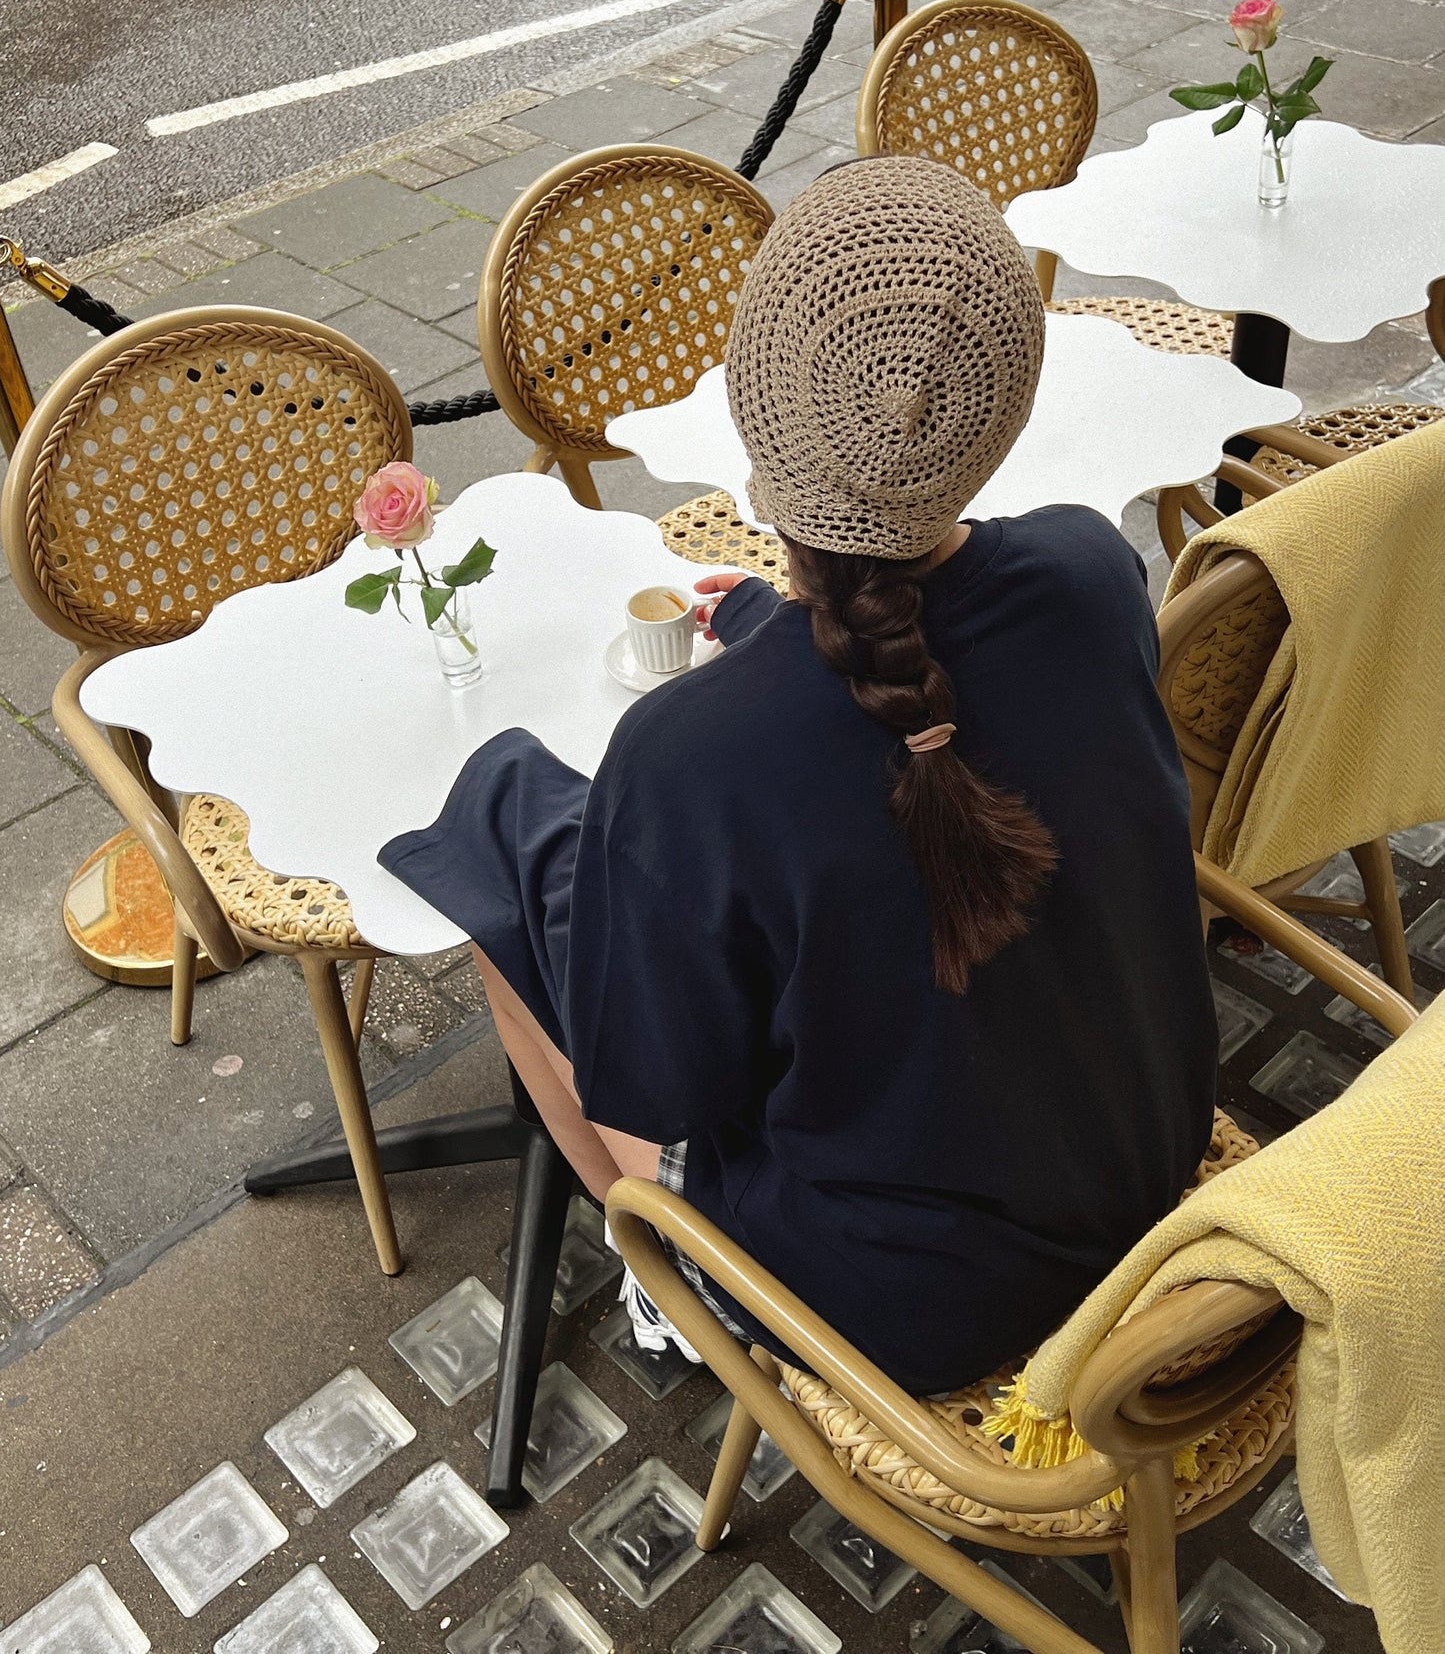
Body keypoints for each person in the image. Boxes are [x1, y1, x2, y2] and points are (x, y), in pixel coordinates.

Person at [380, 157, 1218, 1396]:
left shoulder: (688, 758)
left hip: (907, 1307)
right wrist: (784, 627)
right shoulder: (1094, 575)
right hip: (1141, 1173)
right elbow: (927, 713)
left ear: (752, 408)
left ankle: (671, 1285)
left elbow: (661, 1084)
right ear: (1007, 402)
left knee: (495, 836)